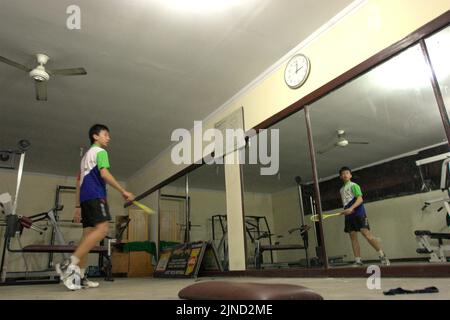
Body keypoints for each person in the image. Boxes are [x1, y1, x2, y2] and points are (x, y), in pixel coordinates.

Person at [56, 124, 135, 290]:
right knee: (103, 229)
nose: (108, 138)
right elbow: (104, 173)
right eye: (105, 134)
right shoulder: (101, 152)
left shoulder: (85, 157)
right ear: (95, 136)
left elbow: (78, 182)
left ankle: (80, 278)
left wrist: (78, 205)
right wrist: (123, 190)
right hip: (96, 196)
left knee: (87, 238)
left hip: (86, 199)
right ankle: (67, 265)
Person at [338, 166, 390, 267]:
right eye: (343, 174)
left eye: (347, 173)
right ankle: (358, 260)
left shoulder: (354, 185)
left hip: (359, 213)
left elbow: (360, 199)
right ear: (340, 177)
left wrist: (352, 208)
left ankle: (382, 255)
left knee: (367, 235)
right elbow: (346, 203)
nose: (345, 175)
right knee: (353, 237)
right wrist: (345, 211)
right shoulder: (341, 190)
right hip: (349, 216)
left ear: (350, 175)